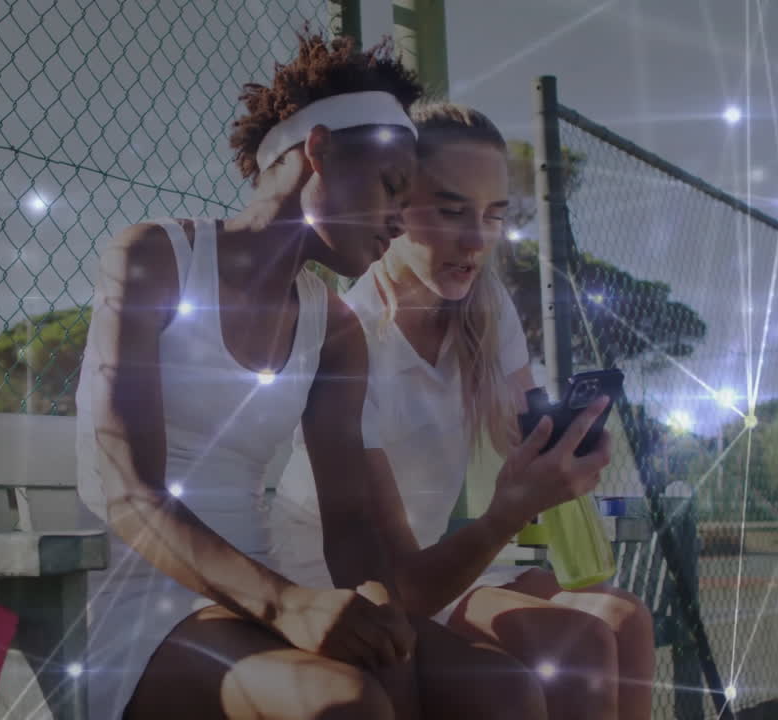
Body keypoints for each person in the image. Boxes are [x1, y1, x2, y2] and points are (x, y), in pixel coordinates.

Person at [74, 36, 547, 720]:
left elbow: (351, 527)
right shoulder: (154, 257)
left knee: (502, 691)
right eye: (390, 187)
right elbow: (128, 493)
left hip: (266, 600)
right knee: (345, 702)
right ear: (318, 150)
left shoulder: (335, 330)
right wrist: (288, 606)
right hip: (145, 603)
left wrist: (383, 624)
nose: (398, 219)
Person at [268, 102, 656, 720]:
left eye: (493, 215)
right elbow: (397, 580)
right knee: (576, 647)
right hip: (351, 581)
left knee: (624, 619)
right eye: (451, 212)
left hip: (437, 567)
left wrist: (564, 454)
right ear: (394, 205)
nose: (476, 242)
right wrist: (512, 510)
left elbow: (523, 433)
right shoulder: (351, 337)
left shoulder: (486, 307)